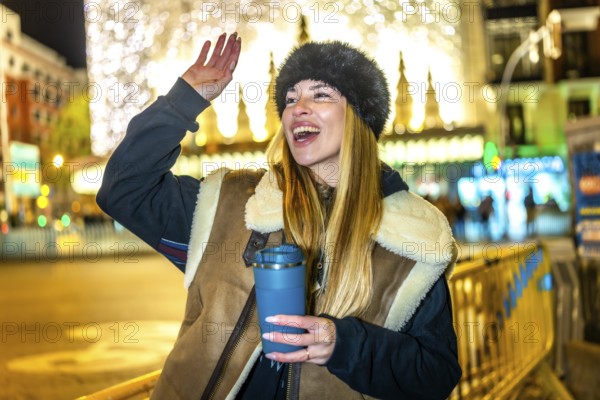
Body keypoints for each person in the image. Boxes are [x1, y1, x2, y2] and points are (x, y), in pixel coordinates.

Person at [97, 32, 461, 399]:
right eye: (290, 98)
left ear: (359, 118)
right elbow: (124, 189)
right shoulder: (230, 203)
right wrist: (182, 102)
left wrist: (344, 345)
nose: (298, 107)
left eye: (320, 95)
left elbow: (435, 372)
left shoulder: (409, 236)